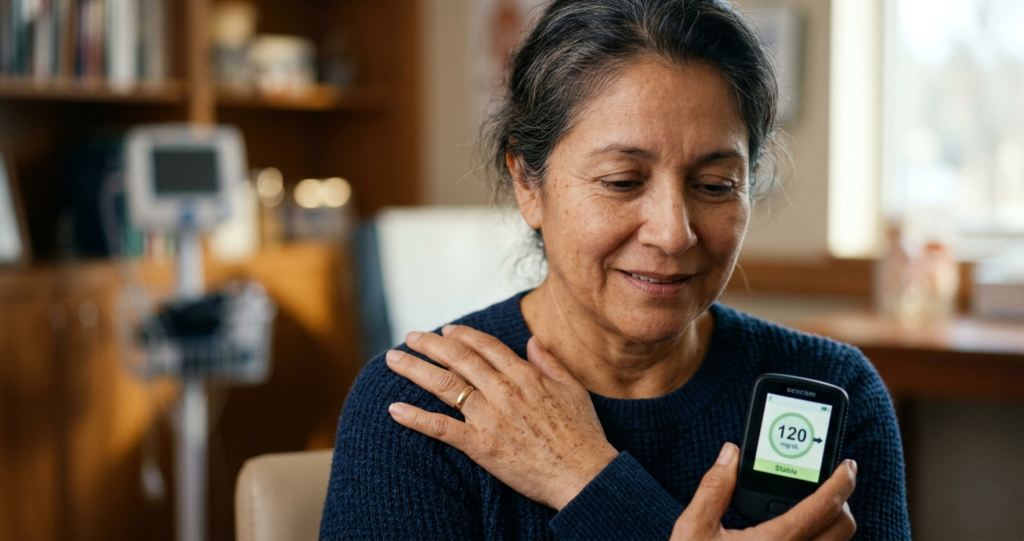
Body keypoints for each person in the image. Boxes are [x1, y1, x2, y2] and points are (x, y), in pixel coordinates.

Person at [320, 0, 911, 539]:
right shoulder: (423, 406)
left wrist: (585, 479)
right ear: (529, 183)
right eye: (622, 181)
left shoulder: (832, 393)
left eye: (715, 185)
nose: (673, 232)